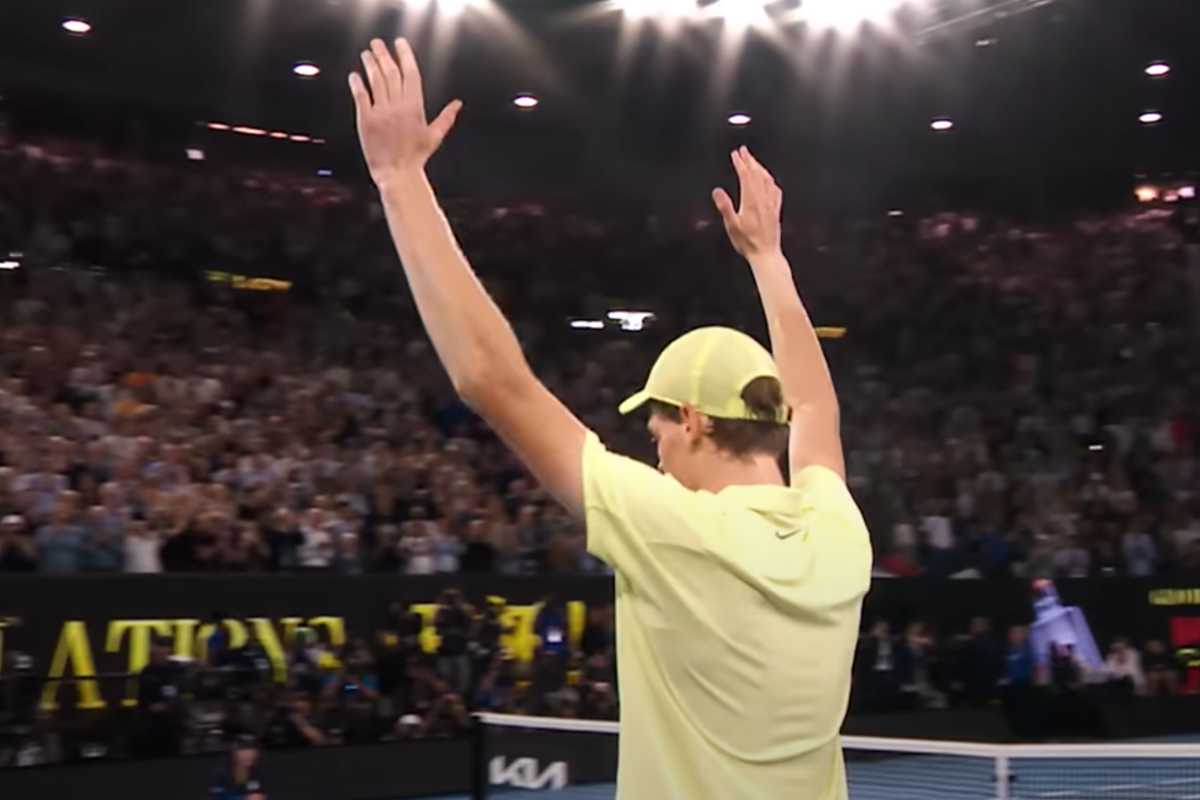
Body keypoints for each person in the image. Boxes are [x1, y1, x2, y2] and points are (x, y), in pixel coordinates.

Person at [347, 39, 870, 799]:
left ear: (692, 420)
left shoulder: (677, 532)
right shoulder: (838, 530)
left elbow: (494, 379)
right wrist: (769, 259)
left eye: (656, 431)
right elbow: (816, 406)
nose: (654, 453)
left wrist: (400, 180)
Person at [209, 735, 267, 800]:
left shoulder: (255, 772)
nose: (249, 754)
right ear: (234, 752)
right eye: (243, 750)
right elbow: (216, 796)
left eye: (253, 750)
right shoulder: (221, 771)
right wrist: (243, 798)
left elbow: (257, 793)